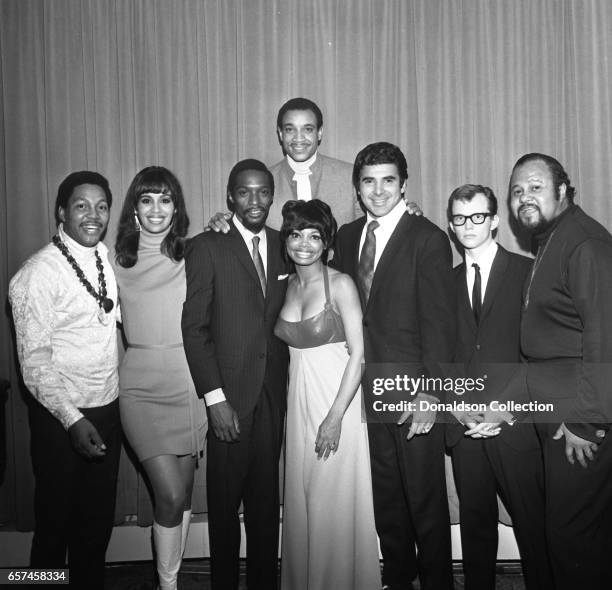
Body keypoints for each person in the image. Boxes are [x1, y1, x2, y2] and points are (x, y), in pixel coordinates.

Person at [333, 142, 456, 590]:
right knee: (386, 497)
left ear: (404, 184)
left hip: (414, 390)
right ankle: (398, 579)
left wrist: (431, 393)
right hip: (367, 389)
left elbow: (442, 324)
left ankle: (439, 582)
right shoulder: (347, 237)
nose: (378, 190)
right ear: (357, 187)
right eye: (368, 181)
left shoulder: (427, 238)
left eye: (388, 180)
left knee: (425, 500)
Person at [9, 171, 121, 590]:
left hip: (108, 409)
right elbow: (34, 365)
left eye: (101, 206)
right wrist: (72, 419)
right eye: (81, 206)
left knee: (95, 528)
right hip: (62, 420)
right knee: (54, 527)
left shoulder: (106, 259)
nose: (93, 216)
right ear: (61, 212)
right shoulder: (37, 274)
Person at [182, 159, 289, 590]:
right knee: (224, 510)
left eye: (263, 191)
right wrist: (214, 398)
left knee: (266, 508)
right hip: (229, 399)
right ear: (230, 197)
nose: (255, 200)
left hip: (273, 397)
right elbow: (195, 328)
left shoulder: (286, 244)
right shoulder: (207, 245)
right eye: (244, 192)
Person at [509, 153, 612, 590]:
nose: (524, 198)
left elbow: (605, 336)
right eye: (517, 191)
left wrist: (587, 421)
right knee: (574, 536)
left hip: (579, 416)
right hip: (555, 407)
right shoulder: (552, 237)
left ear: (563, 191)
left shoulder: (584, 242)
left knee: (572, 537)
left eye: (534, 187)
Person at [446, 184, 552, 590]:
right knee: (475, 530)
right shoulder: (444, 281)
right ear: (451, 225)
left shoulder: (528, 273)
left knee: (534, 527)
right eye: (459, 217)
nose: (468, 225)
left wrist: (503, 408)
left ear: (494, 221)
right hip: (466, 426)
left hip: (516, 425)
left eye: (477, 216)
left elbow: (541, 353)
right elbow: (442, 351)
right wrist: (456, 404)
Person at [275, 199, 380, 590]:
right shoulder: (284, 287)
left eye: (314, 236)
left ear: (326, 243)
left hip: (338, 405)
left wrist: (335, 417)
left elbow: (360, 357)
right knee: (303, 504)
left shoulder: (340, 284)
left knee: (328, 503)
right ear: (286, 239)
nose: (304, 243)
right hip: (298, 406)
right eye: (296, 234)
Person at [113, 166, 207, 590]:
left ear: (176, 208)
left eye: (165, 199)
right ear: (134, 208)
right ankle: (167, 585)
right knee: (168, 495)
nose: (156, 209)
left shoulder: (194, 253)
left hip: (189, 386)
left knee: (184, 496)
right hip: (140, 388)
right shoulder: (113, 259)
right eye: (147, 199)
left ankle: (171, 574)